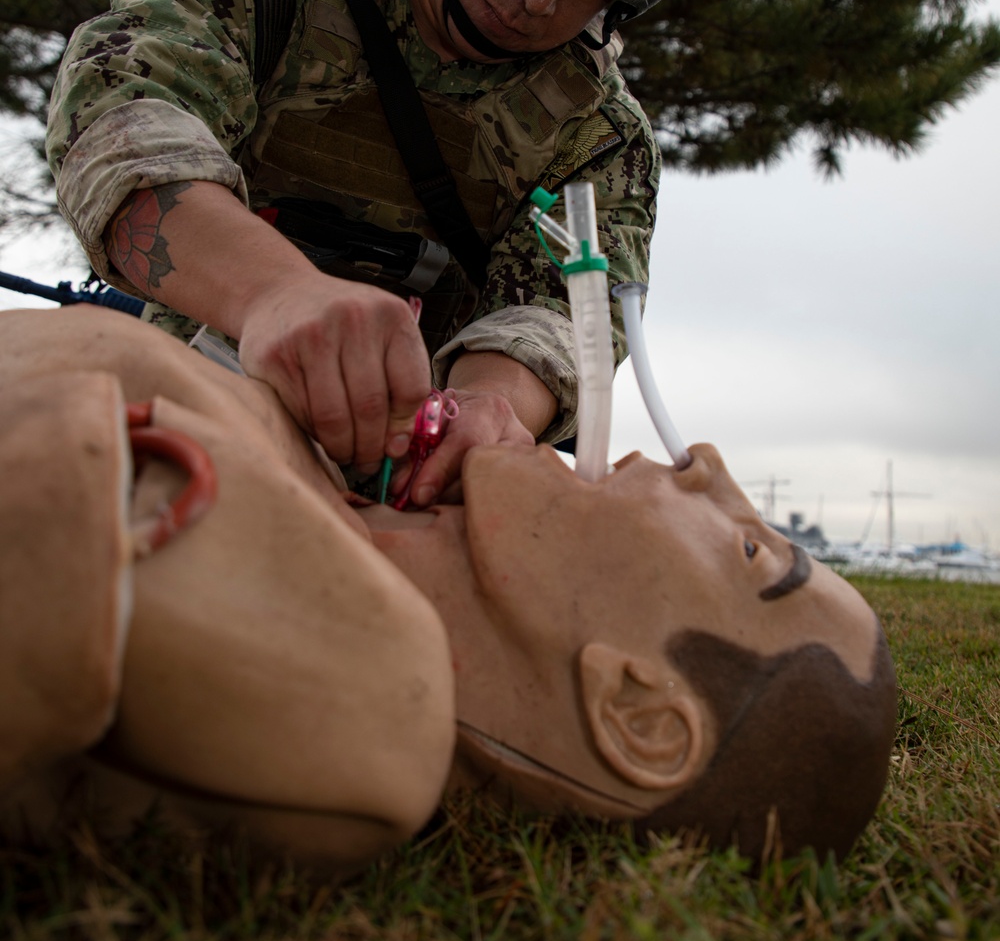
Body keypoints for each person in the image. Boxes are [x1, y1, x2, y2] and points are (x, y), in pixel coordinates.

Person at [45, 0, 753, 505]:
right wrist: (279, 295)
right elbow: (120, 125)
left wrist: (487, 410)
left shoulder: (598, 139)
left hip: (408, 495)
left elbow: (561, 313)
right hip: (181, 433)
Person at [0, 308, 895, 869]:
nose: (709, 465)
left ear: (639, 715)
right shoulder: (338, 501)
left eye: (749, 553)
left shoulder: (374, 709)